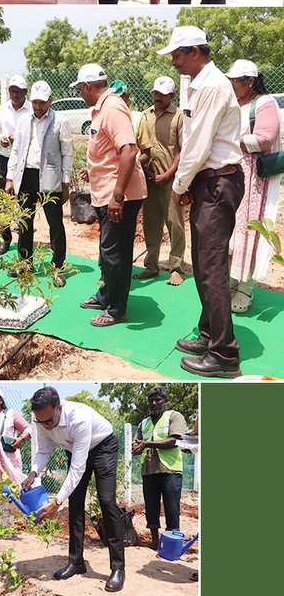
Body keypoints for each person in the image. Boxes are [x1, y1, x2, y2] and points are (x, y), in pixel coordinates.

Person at [162, 25, 245, 377]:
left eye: (177, 55)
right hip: (209, 183)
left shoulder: (211, 86)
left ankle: (224, 355)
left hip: (217, 183)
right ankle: (210, 333)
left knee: (211, 270)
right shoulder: (199, 84)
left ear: (196, 51)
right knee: (203, 265)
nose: (174, 61)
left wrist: (179, 185)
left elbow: (197, 145)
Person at [24, 386, 125, 592]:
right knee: (75, 502)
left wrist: (56, 502)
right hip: (75, 448)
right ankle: (76, 561)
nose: (46, 426)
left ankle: (118, 568)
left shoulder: (79, 418)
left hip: (102, 447)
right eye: (39, 421)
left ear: (59, 409)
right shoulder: (41, 420)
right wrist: (33, 473)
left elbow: (78, 469)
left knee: (106, 500)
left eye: (49, 421)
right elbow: (44, 450)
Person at [76, 63, 146, 328]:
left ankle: (117, 309)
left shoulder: (112, 107)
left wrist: (118, 197)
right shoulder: (102, 108)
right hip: (107, 192)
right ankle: (107, 295)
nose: (81, 93)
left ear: (89, 87)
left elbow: (129, 150)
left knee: (115, 252)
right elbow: (107, 152)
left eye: (81, 89)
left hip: (119, 195)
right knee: (108, 251)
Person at [226, 58, 280, 314]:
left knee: (250, 231)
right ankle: (232, 279)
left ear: (250, 81)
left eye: (236, 81)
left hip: (254, 180)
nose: (232, 85)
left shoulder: (264, 103)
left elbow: (266, 139)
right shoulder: (236, 103)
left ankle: (245, 288)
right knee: (233, 231)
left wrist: (233, 141)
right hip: (235, 174)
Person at [6, 80, 71, 285]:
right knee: (25, 222)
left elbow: (67, 154)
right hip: (26, 176)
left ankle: (58, 267)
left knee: (55, 224)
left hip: (50, 179)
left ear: (50, 100)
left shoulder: (60, 122)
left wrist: (66, 182)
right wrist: (10, 177)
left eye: (42, 102)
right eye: (34, 102)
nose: (38, 106)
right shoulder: (24, 120)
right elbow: (16, 152)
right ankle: (25, 263)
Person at [134, 76, 187, 286]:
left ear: (172, 96)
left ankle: (176, 268)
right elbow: (141, 147)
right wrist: (146, 172)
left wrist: (167, 175)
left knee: (174, 224)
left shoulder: (179, 116)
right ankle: (151, 266)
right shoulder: (145, 116)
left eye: (162, 95)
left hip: (170, 180)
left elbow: (183, 150)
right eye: (155, 93)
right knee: (151, 224)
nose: (157, 97)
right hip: (149, 179)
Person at [132, 386, 187, 552]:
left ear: (166, 401)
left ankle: (171, 544)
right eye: (151, 400)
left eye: (158, 400)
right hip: (149, 470)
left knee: (172, 507)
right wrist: (136, 448)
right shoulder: (144, 423)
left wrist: (147, 444)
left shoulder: (174, 416)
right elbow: (137, 444)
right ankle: (155, 541)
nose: (154, 403)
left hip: (170, 469)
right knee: (151, 506)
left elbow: (173, 441)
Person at [0, 76, 31, 247]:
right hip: (5, 159)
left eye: (18, 91)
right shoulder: (3, 108)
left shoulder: (31, 109)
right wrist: (0, 139)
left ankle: (24, 241)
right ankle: (5, 239)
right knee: (3, 200)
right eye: (12, 91)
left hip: (25, 162)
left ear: (25, 92)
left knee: (24, 200)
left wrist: (20, 141)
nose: (14, 94)